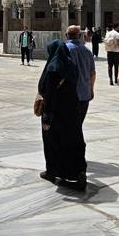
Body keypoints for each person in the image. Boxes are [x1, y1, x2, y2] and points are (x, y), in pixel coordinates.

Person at [35, 38, 86, 190]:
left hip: (56, 113)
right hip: (72, 111)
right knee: (74, 142)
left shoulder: (52, 69)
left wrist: (47, 118)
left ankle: (52, 172)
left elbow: (50, 95)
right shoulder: (71, 66)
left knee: (53, 144)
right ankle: (78, 173)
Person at [64, 25, 96, 125]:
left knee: (68, 124)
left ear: (66, 35)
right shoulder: (87, 51)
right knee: (78, 124)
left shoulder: (64, 49)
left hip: (69, 95)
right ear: (79, 36)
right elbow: (93, 73)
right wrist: (91, 89)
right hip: (84, 94)